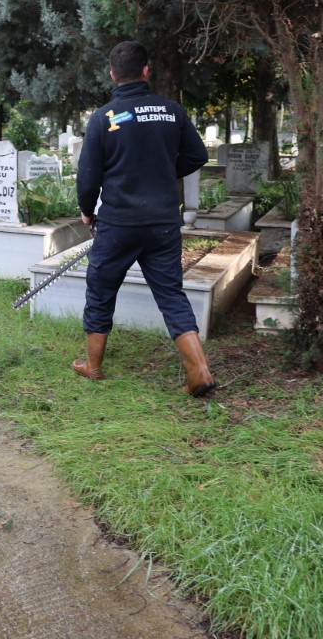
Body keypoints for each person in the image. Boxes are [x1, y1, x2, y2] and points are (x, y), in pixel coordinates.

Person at [73, 40, 216, 397]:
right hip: (163, 223)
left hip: (118, 224)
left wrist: (88, 210)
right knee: (170, 293)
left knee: (101, 289)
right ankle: (199, 370)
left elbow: (88, 175)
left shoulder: (103, 117)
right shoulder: (171, 110)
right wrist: (166, 172)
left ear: (112, 75)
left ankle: (92, 366)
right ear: (146, 70)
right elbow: (197, 155)